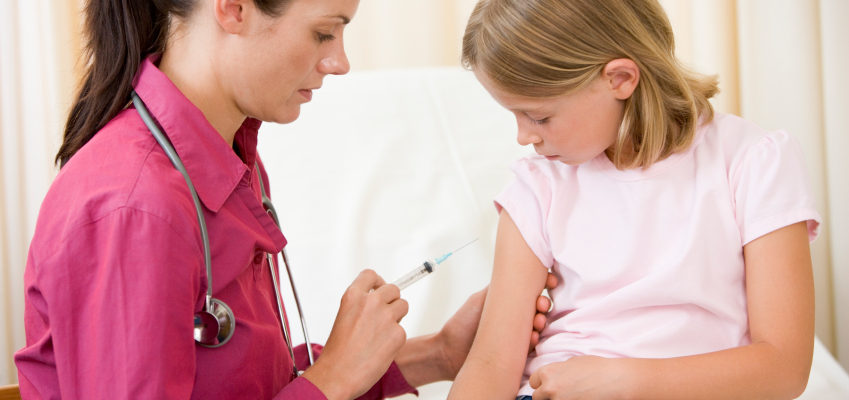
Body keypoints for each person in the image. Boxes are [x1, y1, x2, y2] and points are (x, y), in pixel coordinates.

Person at [13, 0, 556, 399]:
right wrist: (333, 378)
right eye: (324, 33)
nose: (339, 62)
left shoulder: (231, 156)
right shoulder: (135, 208)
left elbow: (243, 383)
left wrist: (436, 353)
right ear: (234, 9)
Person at [448, 0, 822, 399]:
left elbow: (784, 368)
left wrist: (622, 381)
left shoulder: (751, 161)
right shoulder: (538, 186)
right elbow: (491, 364)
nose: (524, 136)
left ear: (621, 79)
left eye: (539, 117)